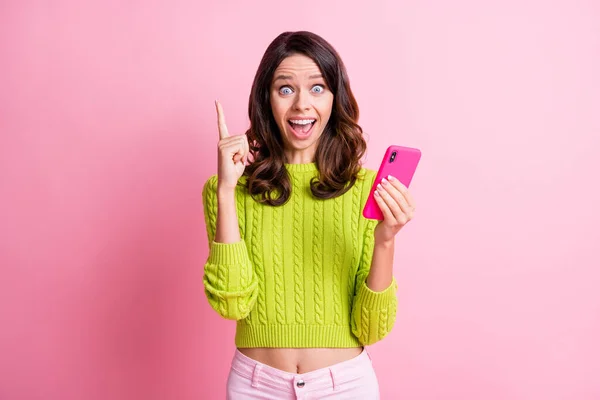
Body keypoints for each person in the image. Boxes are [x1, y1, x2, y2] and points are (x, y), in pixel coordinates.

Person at [202, 31, 416, 399]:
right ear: (266, 99)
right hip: (257, 388)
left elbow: (372, 327)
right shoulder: (229, 190)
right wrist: (225, 190)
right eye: (286, 89)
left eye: (317, 88)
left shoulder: (365, 189)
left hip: (345, 385)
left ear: (336, 98)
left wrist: (386, 240)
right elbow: (232, 301)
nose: (302, 104)